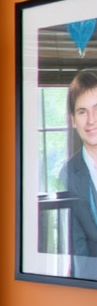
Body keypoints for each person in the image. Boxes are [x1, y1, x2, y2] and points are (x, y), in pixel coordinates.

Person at [61, 68, 97, 279]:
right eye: (82, 112)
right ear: (73, 120)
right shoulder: (68, 173)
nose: (91, 120)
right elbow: (77, 245)